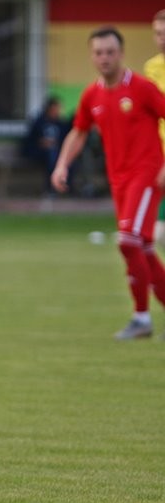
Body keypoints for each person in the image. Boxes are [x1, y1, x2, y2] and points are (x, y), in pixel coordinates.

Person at [52, 26, 165, 340]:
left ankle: (141, 318)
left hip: (146, 174)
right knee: (142, 247)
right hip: (119, 180)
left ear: (121, 54)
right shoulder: (92, 95)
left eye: (110, 52)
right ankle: (144, 317)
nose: (105, 58)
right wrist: (62, 165)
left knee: (127, 241)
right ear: (92, 56)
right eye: (99, 53)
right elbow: (79, 131)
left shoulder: (142, 88)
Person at [143, 9, 165, 244]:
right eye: (158, 33)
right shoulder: (151, 67)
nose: (162, 39)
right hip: (157, 151)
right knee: (157, 233)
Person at [21, 95, 71, 194]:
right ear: (49, 109)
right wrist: (41, 142)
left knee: (66, 158)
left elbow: (66, 139)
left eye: (58, 109)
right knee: (51, 155)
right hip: (39, 153)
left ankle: (66, 187)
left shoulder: (61, 123)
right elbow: (29, 141)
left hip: (57, 152)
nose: (57, 111)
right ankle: (51, 188)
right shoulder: (39, 122)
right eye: (55, 109)